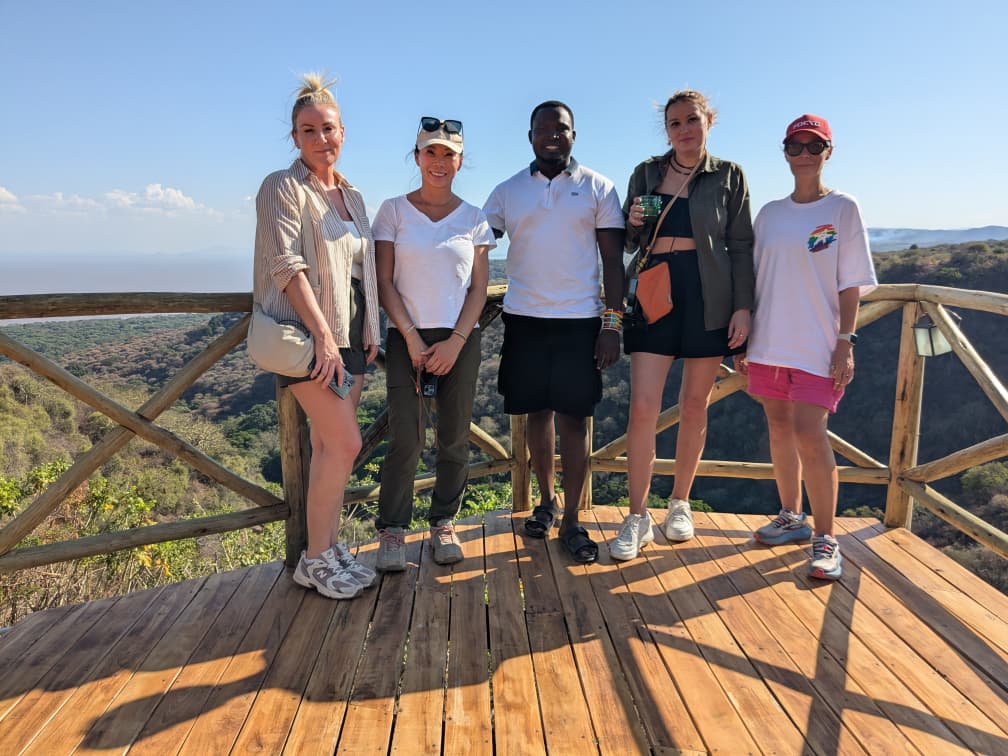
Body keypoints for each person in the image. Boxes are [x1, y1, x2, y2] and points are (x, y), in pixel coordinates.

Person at [610, 90, 755, 561]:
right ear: (666, 130)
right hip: (656, 287)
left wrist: (743, 307)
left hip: (710, 294)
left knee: (695, 405)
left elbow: (741, 246)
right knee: (643, 409)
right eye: (674, 124)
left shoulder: (729, 175)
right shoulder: (647, 172)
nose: (684, 130)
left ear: (708, 121)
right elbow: (629, 240)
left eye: (691, 120)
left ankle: (679, 503)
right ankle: (637, 516)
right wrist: (632, 220)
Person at [252, 74, 380, 599]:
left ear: (343, 132)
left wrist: (371, 327)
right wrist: (324, 337)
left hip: (350, 335)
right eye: (308, 131)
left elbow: (361, 270)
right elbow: (286, 264)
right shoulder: (282, 187)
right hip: (306, 338)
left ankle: (324, 551)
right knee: (346, 442)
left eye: (327, 129)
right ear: (295, 137)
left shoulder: (352, 195)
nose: (320, 139)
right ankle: (315, 556)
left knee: (332, 447)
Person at [483, 101, 625, 564]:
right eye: (543, 129)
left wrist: (612, 324)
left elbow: (612, 262)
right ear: (529, 137)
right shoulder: (507, 191)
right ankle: (547, 501)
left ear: (573, 135)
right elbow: (476, 242)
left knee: (574, 419)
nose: (552, 136)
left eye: (560, 129)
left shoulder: (599, 187)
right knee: (536, 416)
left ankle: (572, 522)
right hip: (523, 318)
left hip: (580, 321)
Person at [742, 114, 877, 581]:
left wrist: (846, 341)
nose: (803, 154)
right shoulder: (771, 214)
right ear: (784, 152)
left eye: (813, 146)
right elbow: (755, 279)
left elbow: (851, 282)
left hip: (819, 344)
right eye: (795, 146)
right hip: (769, 340)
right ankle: (791, 516)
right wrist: (745, 334)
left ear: (827, 153)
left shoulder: (843, 209)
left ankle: (826, 538)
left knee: (809, 434)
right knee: (778, 427)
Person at [372, 117, 495, 570]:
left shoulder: (475, 218)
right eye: (431, 152)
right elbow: (385, 281)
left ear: (460, 161)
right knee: (406, 436)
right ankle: (392, 529)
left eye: (448, 154)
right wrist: (410, 336)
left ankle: (443, 522)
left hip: (460, 337)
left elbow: (480, 289)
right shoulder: (393, 211)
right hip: (407, 336)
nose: (439, 161)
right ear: (417, 156)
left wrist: (456, 342)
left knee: (454, 437)